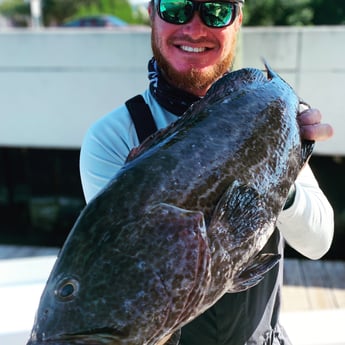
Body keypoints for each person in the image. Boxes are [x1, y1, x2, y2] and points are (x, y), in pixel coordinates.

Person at [80, 0, 334, 344]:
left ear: (238, 20)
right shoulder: (112, 137)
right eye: (175, 7)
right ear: (152, 14)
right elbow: (130, 279)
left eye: (216, 10)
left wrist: (281, 170)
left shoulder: (270, 114)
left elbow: (319, 241)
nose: (195, 28)